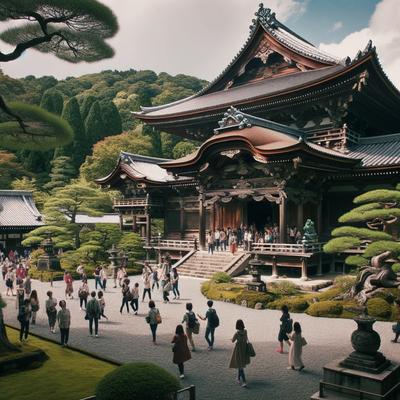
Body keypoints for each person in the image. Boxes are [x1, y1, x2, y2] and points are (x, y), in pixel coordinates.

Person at [229, 319, 251, 388]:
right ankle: (238, 378)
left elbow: (233, 341)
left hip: (238, 350)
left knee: (240, 366)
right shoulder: (246, 331)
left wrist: (231, 339)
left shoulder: (237, 333)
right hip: (244, 349)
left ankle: (244, 381)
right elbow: (246, 338)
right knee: (240, 364)